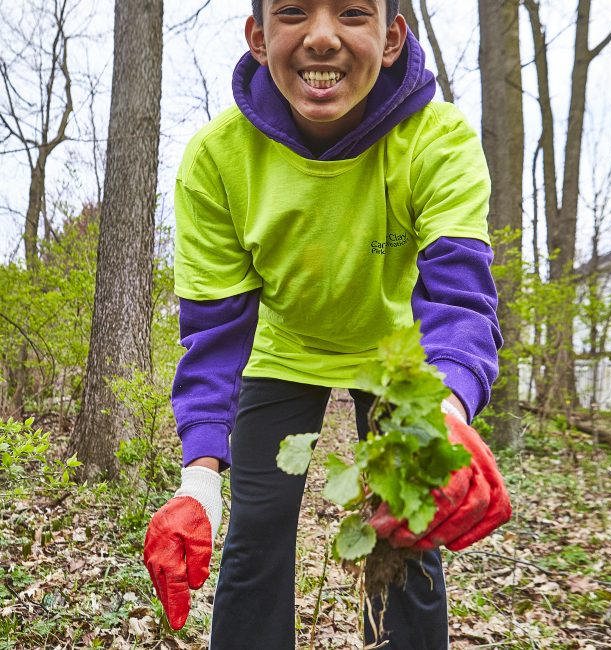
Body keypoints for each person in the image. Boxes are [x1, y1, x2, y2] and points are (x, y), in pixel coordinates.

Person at [143, 1, 511, 648]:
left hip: (403, 358)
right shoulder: (216, 160)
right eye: (291, 12)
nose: (320, 37)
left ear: (391, 38)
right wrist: (199, 482)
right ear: (258, 38)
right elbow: (215, 334)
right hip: (281, 349)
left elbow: (458, 296)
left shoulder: (439, 139)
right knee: (257, 530)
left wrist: (447, 419)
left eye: (351, 12)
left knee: (407, 531)